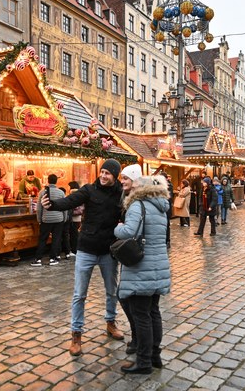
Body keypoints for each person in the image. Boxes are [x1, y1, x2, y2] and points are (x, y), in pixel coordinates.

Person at [41, 159, 125, 356]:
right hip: (86, 249)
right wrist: (52, 205)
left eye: (108, 173)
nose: (103, 176)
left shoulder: (121, 192)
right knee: (80, 294)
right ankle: (76, 335)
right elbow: (70, 201)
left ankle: (111, 323)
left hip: (108, 250)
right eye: (102, 172)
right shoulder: (89, 189)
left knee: (112, 291)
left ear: (115, 176)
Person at [114, 175, 171, 375]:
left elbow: (130, 232)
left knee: (141, 316)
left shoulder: (138, 205)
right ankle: (155, 356)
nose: (131, 189)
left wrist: (118, 227)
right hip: (159, 264)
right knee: (153, 311)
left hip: (141, 267)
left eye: (135, 186)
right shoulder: (161, 206)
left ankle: (144, 361)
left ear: (142, 189)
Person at [117, 164, 143, 357]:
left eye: (126, 178)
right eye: (122, 178)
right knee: (127, 298)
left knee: (129, 299)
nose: (122, 181)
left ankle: (140, 342)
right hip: (131, 254)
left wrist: (118, 228)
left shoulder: (137, 201)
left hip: (137, 255)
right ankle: (141, 342)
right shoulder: (126, 197)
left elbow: (130, 230)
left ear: (134, 180)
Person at [32, 174, 66, 266]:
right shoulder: (61, 193)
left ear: (48, 181)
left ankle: (38, 259)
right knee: (56, 239)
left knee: (43, 239)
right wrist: (65, 218)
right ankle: (53, 259)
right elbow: (64, 206)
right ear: (56, 181)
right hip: (59, 219)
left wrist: (39, 219)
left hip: (46, 220)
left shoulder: (43, 192)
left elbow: (39, 207)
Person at [66, 181, 82, 258]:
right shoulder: (80, 194)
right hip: (78, 218)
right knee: (75, 234)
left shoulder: (73, 194)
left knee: (73, 235)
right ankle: (76, 249)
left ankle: (74, 250)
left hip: (73, 218)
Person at [161, 172, 174, 248]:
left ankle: (167, 240)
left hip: (167, 208)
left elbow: (169, 196)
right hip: (161, 208)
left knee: (167, 225)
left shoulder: (169, 186)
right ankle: (163, 240)